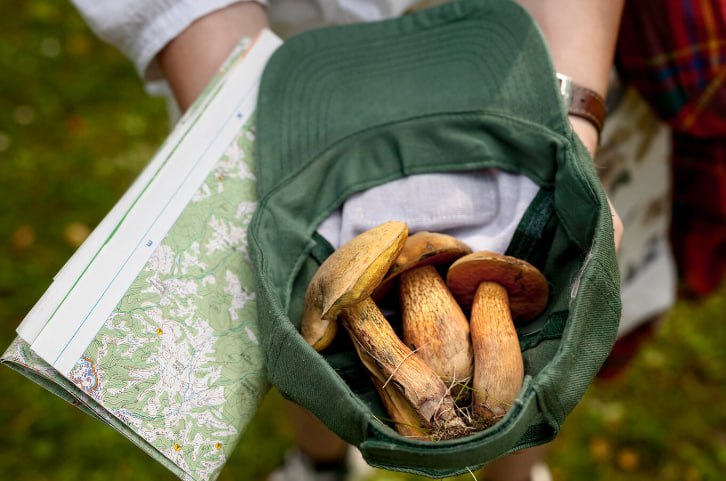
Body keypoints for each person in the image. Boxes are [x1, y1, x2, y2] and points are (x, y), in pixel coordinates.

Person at [70, 1, 631, 481]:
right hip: (287, 85)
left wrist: (570, 128)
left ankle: (513, 459)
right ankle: (322, 463)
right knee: (298, 336)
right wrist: (267, 152)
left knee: (543, 360)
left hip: (512, 71)